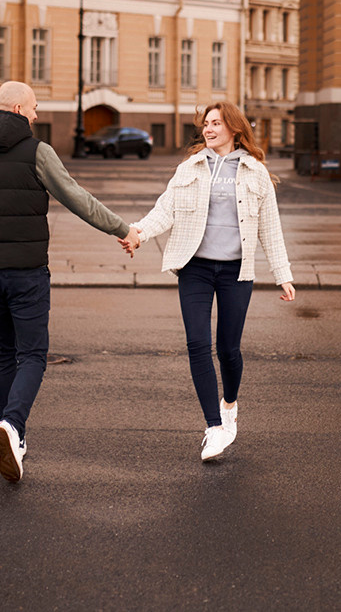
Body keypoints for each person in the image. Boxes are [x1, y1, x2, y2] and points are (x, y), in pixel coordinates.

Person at [0, 80, 130, 483]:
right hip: (27, 272)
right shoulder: (38, 152)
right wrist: (121, 228)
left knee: (2, 352)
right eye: (35, 108)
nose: (38, 115)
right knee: (34, 354)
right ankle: (13, 426)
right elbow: (75, 197)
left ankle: (13, 439)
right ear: (19, 110)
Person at [119, 101, 294, 462]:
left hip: (235, 272)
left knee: (228, 349)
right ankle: (214, 427)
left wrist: (283, 275)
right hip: (195, 267)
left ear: (234, 128)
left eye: (216, 123)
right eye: (206, 124)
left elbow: (269, 227)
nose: (208, 129)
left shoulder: (255, 172)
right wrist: (137, 233)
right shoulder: (191, 167)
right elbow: (165, 209)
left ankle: (229, 403)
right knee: (197, 344)